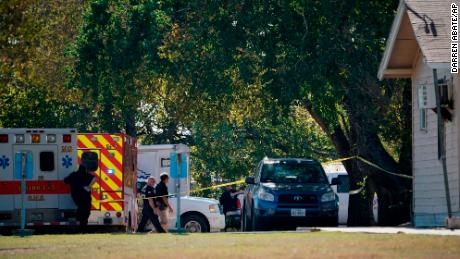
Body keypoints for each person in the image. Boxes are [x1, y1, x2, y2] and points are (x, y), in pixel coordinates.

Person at [64, 164, 96, 232]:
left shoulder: (74, 175)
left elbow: (65, 181)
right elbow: (94, 178)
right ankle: (83, 227)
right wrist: (89, 186)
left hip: (76, 197)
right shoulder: (87, 175)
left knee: (81, 210)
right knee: (86, 212)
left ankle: (79, 225)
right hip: (86, 197)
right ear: (85, 169)